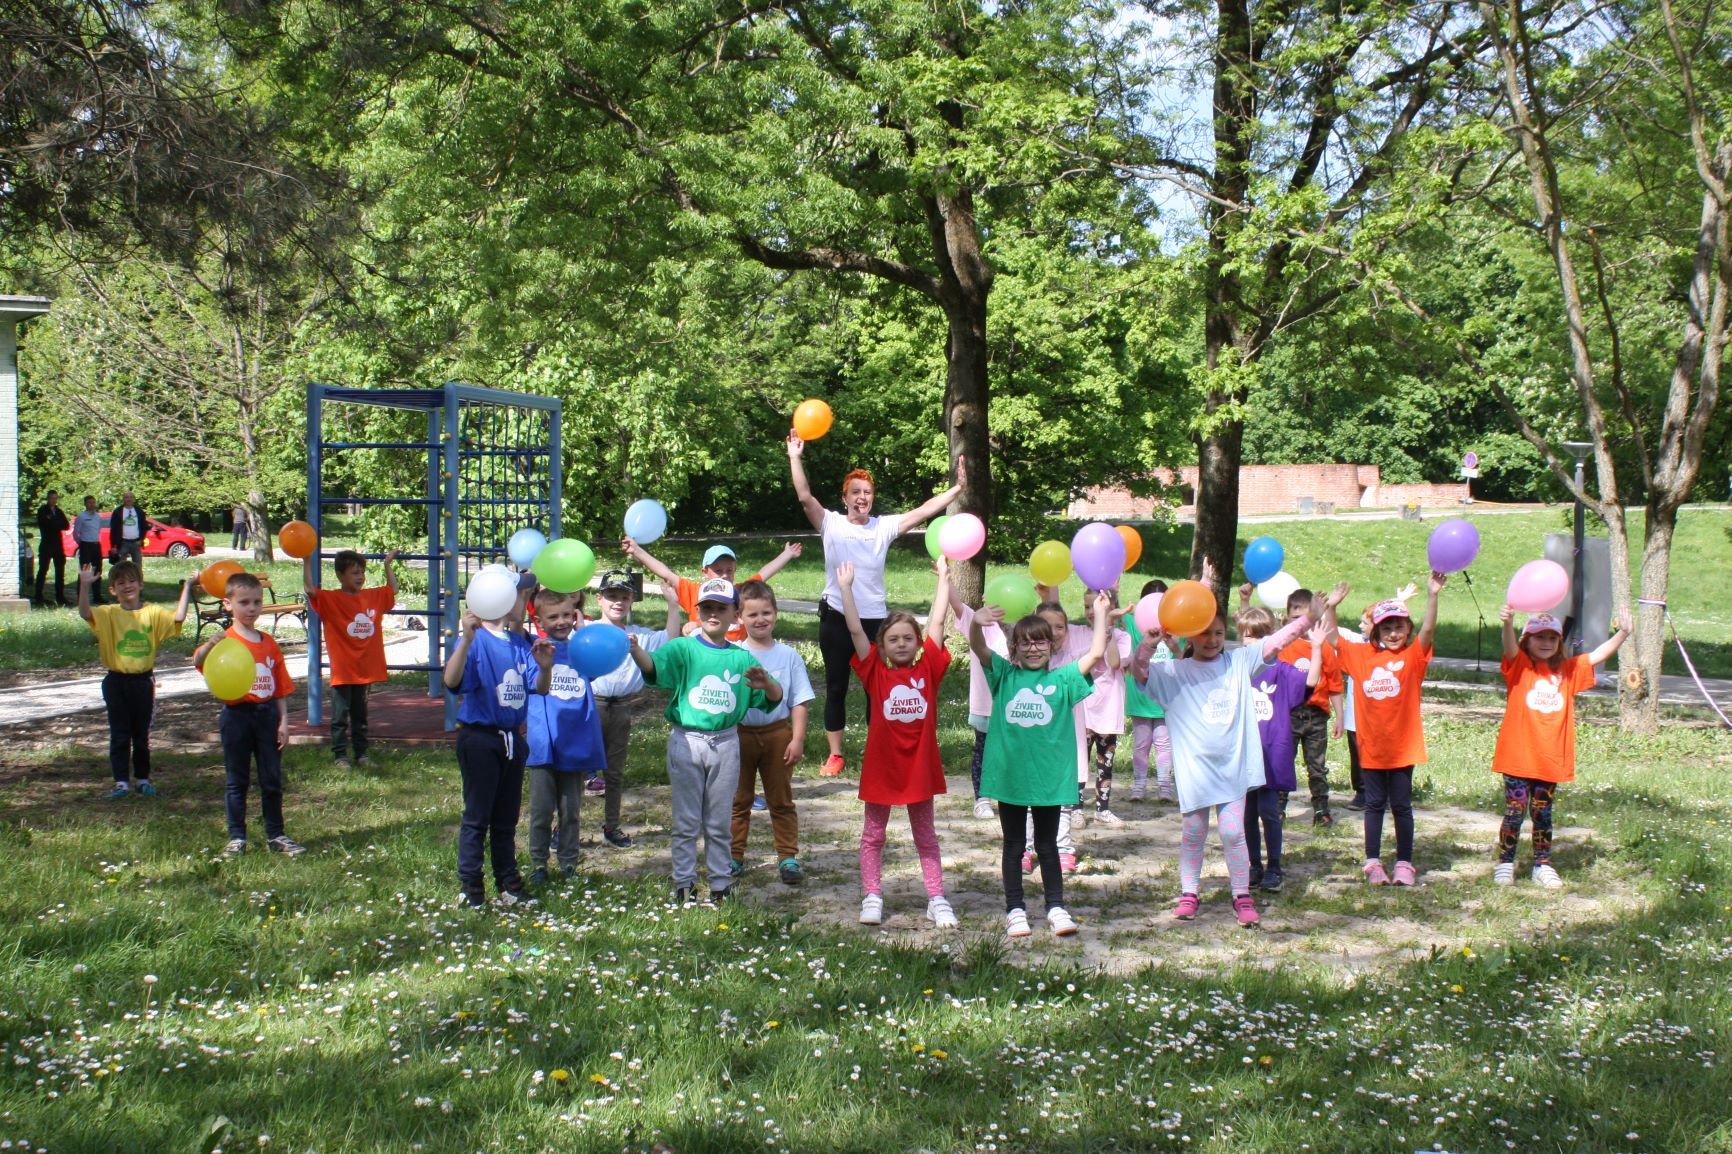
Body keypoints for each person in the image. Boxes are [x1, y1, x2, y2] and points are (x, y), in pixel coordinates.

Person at [1131, 562, 1330, 926]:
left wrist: (1307, 620)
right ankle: (1189, 893)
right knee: (1193, 833)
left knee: (1233, 832)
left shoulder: (1239, 662)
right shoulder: (1175, 673)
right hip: (1195, 772)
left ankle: (1242, 895)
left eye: (1219, 633)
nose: (1212, 639)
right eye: (1205, 633)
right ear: (1191, 635)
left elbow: (1275, 642)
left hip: (1233, 769)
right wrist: (1147, 644)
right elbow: (1139, 673)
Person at [787, 430, 964, 776]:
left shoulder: (883, 527)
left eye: (867, 492)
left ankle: (878, 748)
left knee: (878, 688)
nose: (862, 497)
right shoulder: (831, 523)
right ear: (845, 497)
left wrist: (958, 488)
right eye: (856, 492)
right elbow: (805, 497)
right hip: (836, 616)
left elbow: (924, 510)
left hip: (874, 621)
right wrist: (795, 456)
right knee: (836, 685)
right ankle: (835, 754)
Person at [629, 577, 784, 905]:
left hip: (726, 743)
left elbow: (774, 697)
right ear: (697, 612)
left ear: (735, 615)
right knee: (686, 820)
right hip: (687, 741)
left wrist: (767, 684)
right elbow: (654, 668)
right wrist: (637, 651)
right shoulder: (683, 649)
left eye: (721, 608)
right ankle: (684, 883)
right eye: (707, 607)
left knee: (718, 820)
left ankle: (719, 884)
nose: (713, 613)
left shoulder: (742, 659)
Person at [972, 589, 1111, 939]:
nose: (1033, 648)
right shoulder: (1004, 676)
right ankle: (1015, 910)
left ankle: (1056, 907)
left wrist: (1100, 614)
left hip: (1049, 779)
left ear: (1052, 645)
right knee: (1014, 845)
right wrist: (976, 623)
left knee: (1048, 846)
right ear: (1015, 648)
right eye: (1026, 643)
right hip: (1011, 779)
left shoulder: (1063, 679)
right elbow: (979, 648)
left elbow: (1096, 653)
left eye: (1040, 642)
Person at [838, 559, 957, 927]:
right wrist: (846, 589)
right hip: (882, 769)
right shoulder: (874, 671)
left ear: (918, 643)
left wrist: (944, 580)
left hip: (920, 768)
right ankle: (872, 895)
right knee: (873, 836)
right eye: (893, 639)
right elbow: (855, 630)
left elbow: (938, 623)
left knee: (926, 837)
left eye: (908, 638)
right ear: (882, 646)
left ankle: (936, 898)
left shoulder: (928, 669)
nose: (901, 643)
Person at [1491, 606, 1630, 887]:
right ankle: (1505, 862)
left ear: (1559, 642)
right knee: (1515, 812)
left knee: (1542, 814)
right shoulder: (1521, 667)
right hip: (1518, 757)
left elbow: (1597, 655)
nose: (1546, 643)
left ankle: (1542, 865)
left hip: (1550, 759)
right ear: (1527, 640)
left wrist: (1624, 633)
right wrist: (1508, 623)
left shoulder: (1567, 671)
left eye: (1552, 638)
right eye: (1539, 637)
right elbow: (1509, 648)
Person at [442, 580, 555, 909]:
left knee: (506, 818)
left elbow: (540, 687)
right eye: (519, 596)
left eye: (524, 596)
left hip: (513, 740)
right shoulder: (476, 639)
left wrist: (546, 668)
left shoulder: (520, 643)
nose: (522, 603)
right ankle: (471, 888)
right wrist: (465, 639)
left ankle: (508, 884)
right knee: (478, 816)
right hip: (480, 738)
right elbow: (451, 681)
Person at [1331, 573, 1445, 886]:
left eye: (1399, 627)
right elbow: (1332, 638)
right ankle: (1373, 863)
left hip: (1403, 748)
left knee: (1401, 806)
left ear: (1408, 629)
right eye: (1386, 628)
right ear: (1376, 631)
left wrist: (1433, 595)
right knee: (1374, 805)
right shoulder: (1361, 656)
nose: (1393, 633)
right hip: (1371, 747)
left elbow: (1429, 630)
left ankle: (1405, 864)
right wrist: (1332, 607)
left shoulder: (1413, 656)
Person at [193, 573, 304, 857]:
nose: (252, 608)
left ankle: (276, 835)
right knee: (236, 780)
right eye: (244, 602)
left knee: (271, 779)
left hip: (267, 716)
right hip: (236, 716)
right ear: (227, 604)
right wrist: (209, 645)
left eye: (257, 602)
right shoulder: (224, 641)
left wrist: (284, 722)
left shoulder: (268, 643)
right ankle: (237, 838)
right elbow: (198, 661)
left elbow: (280, 687)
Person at [77, 561, 195, 798]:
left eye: (132, 581)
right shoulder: (109, 613)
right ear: (113, 590)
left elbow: (179, 617)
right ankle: (121, 783)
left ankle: (142, 779)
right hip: (115, 682)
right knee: (120, 734)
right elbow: (85, 613)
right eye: (121, 583)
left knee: (141, 735)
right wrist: (84, 584)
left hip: (142, 682)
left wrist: (188, 586)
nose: (127, 586)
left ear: (141, 584)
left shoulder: (152, 613)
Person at [727, 579, 815, 886]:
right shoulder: (734, 654)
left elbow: (799, 701)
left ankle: (788, 856)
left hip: (778, 735)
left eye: (766, 612)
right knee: (738, 800)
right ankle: (733, 856)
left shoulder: (788, 656)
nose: (760, 619)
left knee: (781, 799)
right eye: (752, 614)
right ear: (739, 617)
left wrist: (797, 739)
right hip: (739, 736)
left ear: (776, 613)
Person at [587, 570, 681, 848]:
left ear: (632, 600)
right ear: (599, 598)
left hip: (621, 706)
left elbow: (670, 638)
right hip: (590, 705)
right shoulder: (586, 630)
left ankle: (611, 826)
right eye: (611, 595)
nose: (618, 602)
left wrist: (673, 604)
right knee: (576, 768)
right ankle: (564, 826)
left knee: (614, 771)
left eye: (624, 597)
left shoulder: (636, 635)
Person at [1235, 606, 1324, 892]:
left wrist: (1317, 647)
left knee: (1269, 812)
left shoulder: (1282, 671)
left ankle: (1274, 867)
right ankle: (1254, 865)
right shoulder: (1237, 670)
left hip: (1272, 754)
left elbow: (1310, 681)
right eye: (1247, 636)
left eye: (1258, 636)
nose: (1251, 641)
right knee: (1247, 814)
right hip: (1244, 754)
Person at [523, 588, 608, 885]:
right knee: (541, 811)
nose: (561, 621)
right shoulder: (535, 650)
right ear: (539, 621)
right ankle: (538, 864)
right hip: (544, 743)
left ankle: (569, 863)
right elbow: (540, 687)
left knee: (571, 811)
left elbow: (599, 667)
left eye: (566, 615)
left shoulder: (581, 651)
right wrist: (546, 667)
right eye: (553, 617)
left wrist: (584, 635)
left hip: (575, 741)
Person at [304, 548, 399, 768]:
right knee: (340, 716)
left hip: (364, 668)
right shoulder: (331, 599)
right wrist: (307, 560)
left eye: (362, 572)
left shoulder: (372, 597)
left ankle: (362, 754)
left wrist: (387, 564)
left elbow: (393, 589)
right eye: (355, 572)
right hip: (344, 668)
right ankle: (340, 755)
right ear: (340, 575)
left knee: (360, 715)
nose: (360, 577)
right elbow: (309, 589)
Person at [622, 537, 802, 642]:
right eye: (718, 571)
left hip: (735, 658)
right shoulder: (695, 592)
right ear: (705, 572)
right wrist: (636, 550)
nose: (724, 576)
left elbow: (764, 573)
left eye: (729, 571)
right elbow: (666, 573)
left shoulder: (741, 591)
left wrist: (787, 554)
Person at [1276, 587, 1345, 825]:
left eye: (1307, 618)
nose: (1302, 624)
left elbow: (1335, 684)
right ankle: (1278, 807)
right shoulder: (1283, 645)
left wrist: (1340, 717)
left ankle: (1321, 810)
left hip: (1316, 715)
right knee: (1284, 761)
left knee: (1317, 766)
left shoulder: (1323, 646)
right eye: (1295, 618)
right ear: (1287, 619)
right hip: (1289, 713)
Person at [950, 594, 1009, 819]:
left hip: (1014, 708)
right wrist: (945, 579)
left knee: (1012, 753)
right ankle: (982, 799)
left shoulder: (1023, 628)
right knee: (983, 753)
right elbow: (957, 605)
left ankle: (1010, 795)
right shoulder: (979, 621)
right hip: (985, 706)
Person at [1124, 579, 1174, 802]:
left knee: (1164, 743)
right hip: (1141, 697)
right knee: (1141, 743)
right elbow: (1110, 616)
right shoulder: (1133, 623)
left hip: (1165, 698)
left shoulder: (1176, 629)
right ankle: (1139, 786)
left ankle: (1164, 787)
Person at [33, 490, 70, 606]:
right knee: (43, 570)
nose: (54, 500)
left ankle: (60, 597)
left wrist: (52, 520)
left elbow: (66, 525)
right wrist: (55, 523)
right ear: (48, 498)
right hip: (46, 544)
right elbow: (45, 524)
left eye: (55, 498)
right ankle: (38, 596)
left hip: (58, 545)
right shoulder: (43, 510)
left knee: (60, 571)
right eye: (52, 498)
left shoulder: (58, 511)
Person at [72, 496, 105, 603]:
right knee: (84, 571)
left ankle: (97, 596)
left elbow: (98, 530)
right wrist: (81, 544)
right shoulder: (81, 517)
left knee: (97, 571)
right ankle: (80, 597)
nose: (92, 504)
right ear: (85, 504)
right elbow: (75, 533)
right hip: (85, 545)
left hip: (96, 545)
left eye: (93, 502)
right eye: (89, 502)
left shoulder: (98, 517)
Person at [108, 492, 148, 571]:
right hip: (123, 543)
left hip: (136, 543)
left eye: (131, 497)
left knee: (138, 566)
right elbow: (113, 529)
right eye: (126, 497)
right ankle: (121, 579)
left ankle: (137, 579)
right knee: (120, 567)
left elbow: (144, 526)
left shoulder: (139, 511)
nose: (129, 499)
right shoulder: (118, 512)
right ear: (123, 499)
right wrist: (113, 545)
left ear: (134, 499)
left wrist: (141, 539)